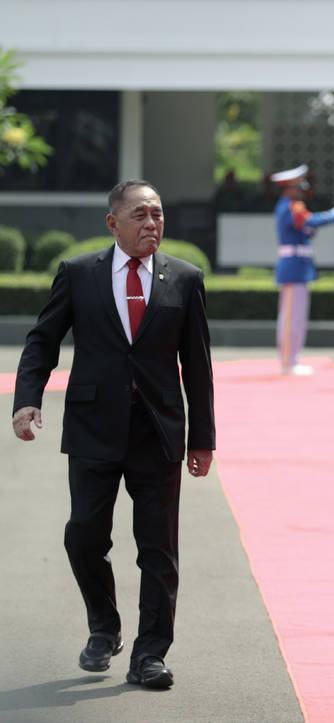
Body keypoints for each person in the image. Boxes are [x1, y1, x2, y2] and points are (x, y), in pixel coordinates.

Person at [11, 179, 215, 690]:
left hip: (158, 431)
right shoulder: (79, 275)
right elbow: (43, 341)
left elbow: (198, 364)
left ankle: (150, 655)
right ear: (113, 223)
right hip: (93, 429)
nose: (153, 225)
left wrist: (202, 438)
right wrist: (27, 399)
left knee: (158, 549)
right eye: (141, 216)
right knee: (83, 535)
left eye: (158, 215)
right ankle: (104, 628)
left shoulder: (185, 278)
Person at [271, 164, 334, 375]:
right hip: (293, 268)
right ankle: (288, 362)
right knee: (291, 319)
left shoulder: (291, 206)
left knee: (296, 317)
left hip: (298, 268)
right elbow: (310, 221)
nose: (301, 191)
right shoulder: (291, 206)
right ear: (290, 188)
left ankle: (292, 359)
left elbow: (307, 226)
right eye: (298, 187)